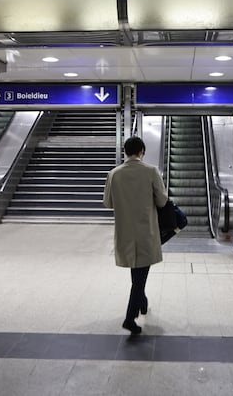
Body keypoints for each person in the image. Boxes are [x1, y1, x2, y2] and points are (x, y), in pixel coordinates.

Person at [103, 136, 168, 335]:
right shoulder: (151, 171)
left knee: (137, 273)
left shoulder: (114, 174)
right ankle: (130, 318)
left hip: (125, 232)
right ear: (142, 151)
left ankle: (142, 302)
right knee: (140, 275)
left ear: (125, 151)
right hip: (145, 231)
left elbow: (107, 203)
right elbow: (163, 200)